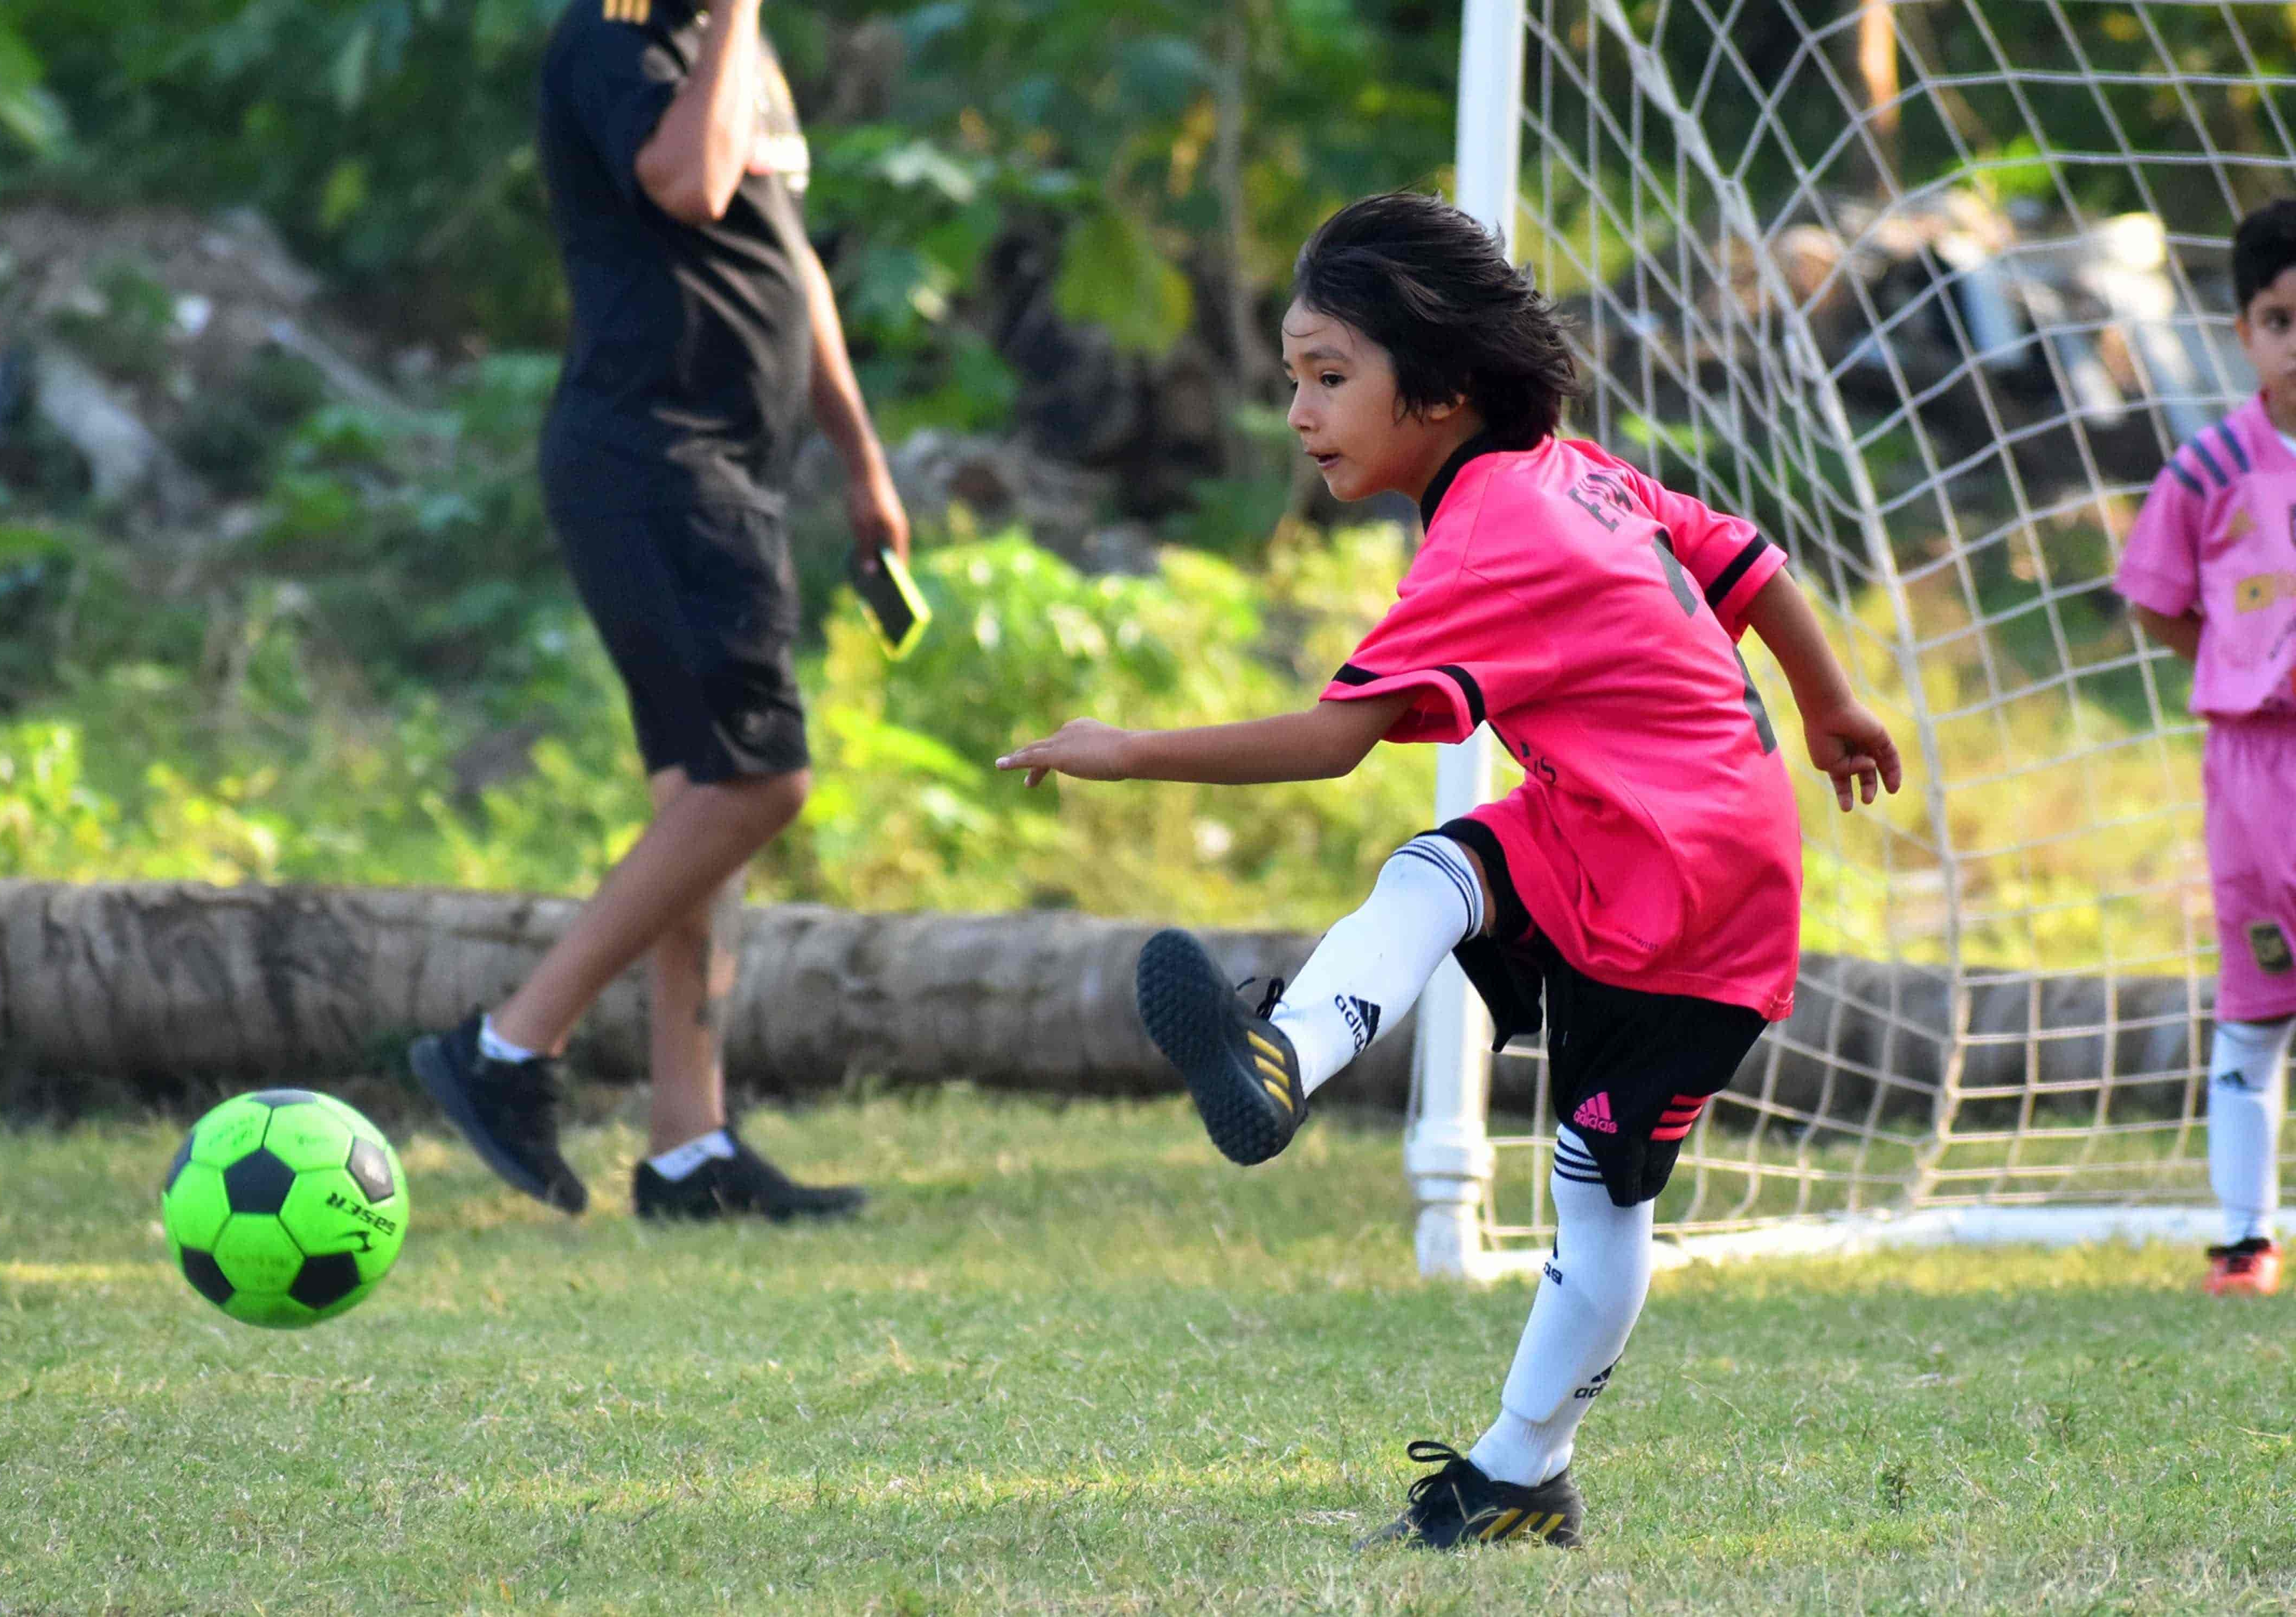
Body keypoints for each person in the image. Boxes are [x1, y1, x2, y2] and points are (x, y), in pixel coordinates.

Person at [997, 192, 1901, 1549]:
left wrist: (1125, 750)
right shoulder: (1577, 477)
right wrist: (1828, 704)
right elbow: (1744, 562)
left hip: (1677, 886)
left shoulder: (1492, 528)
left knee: (1591, 1184)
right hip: (1665, 844)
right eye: (1293, 378)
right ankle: (1510, 1458)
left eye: (1329, 377)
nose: (1300, 412)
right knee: (1464, 909)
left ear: (1442, 389)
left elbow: (1329, 743)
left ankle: (1510, 1441)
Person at [411, 0, 908, 1224]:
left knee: (704, 799)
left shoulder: (730, 49)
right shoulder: (614, 36)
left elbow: (785, 256)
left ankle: (690, 1150)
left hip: (733, 460)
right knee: (758, 782)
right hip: (654, 453)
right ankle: (510, 1047)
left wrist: (858, 460)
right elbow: (687, 183)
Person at [2114, 198, 2296, 1298]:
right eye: (2280, 320)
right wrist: (2240, 661)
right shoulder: (2210, 465)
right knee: (2258, 997)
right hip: (2254, 772)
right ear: (2244, 333)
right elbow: (2156, 601)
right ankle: (2243, 1235)